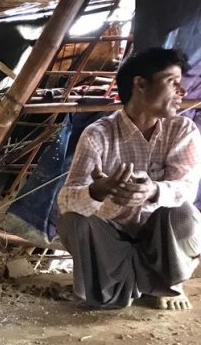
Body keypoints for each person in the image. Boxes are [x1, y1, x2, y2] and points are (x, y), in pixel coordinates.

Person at [57, 47, 201, 310]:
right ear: (141, 84)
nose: (181, 91)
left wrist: (152, 191)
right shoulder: (98, 135)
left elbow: (187, 188)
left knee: (184, 214)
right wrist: (98, 190)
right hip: (114, 243)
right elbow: (66, 200)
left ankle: (167, 283)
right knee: (73, 223)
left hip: (161, 244)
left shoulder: (182, 129)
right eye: (172, 83)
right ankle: (118, 287)